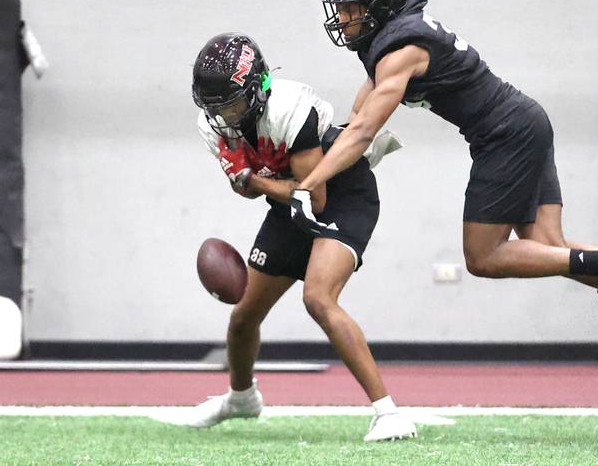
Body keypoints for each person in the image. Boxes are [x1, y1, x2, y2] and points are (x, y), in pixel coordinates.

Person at [289, 0, 598, 349]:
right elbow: (359, 115)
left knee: (483, 257)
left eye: (350, 9)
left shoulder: (401, 50)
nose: (342, 19)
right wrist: (330, 142)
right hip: (526, 121)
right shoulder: (394, 38)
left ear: (378, 5)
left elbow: (365, 131)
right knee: (549, 248)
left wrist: (308, 184)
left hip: (505, 135)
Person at [169, 32, 416, 441]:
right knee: (243, 317)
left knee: (318, 297)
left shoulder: (289, 107)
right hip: (289, 205)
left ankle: (388, 413)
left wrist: (251, 178)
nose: (222, 115)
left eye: (230, 103)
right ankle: (241, 398)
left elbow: (313, 196)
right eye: (214, 106)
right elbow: (249, 190)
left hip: (342, 194)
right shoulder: (212, 125)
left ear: (258, 88)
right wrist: (247, 180)